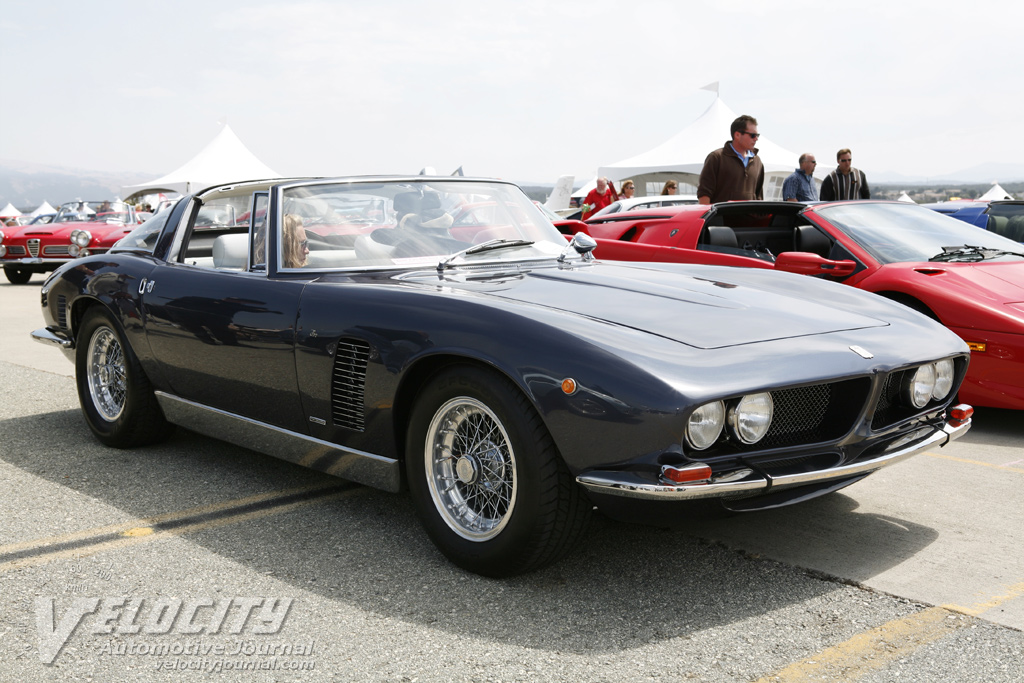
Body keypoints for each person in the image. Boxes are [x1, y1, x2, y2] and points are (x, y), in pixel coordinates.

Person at [697, 115, 764, 205]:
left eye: (757, 135)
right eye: (753, 135)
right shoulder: (716, 158)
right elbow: (704, 194)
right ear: (737, 135)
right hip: (722, 218)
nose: (756, 139)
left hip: (751, 219)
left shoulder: (757, 162)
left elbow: (759, 196)